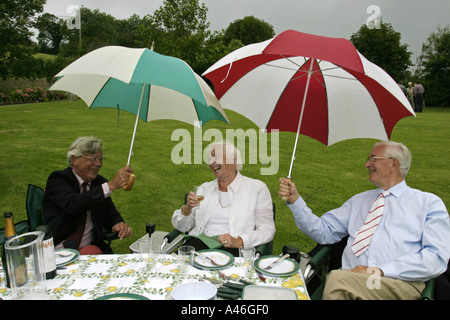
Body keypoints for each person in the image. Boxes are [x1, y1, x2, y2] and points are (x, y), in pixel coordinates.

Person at [279, 141, 450, 300]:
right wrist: (296, 201)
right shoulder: (359, 201)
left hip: (396, 283)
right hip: (351, 279)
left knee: (337, 281)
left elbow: (436, 258)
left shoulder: (427, 203)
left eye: (373, 159)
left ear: (394, 164)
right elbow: (324, 232)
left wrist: (379, 271)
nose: (367, 164)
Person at [171, 141, 275, 256]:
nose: (211, 162)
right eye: (209, 159)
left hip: (233, 250)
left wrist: (240, 241)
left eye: (215, 156)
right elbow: (182, 226)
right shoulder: (204, 188)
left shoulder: (256, 188)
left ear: (233, 159)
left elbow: (267, 229)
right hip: (199, 246)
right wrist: (187, 209)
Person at [43, 136, 133, 254]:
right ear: (75, 160)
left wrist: (118, 224)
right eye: (93, 159)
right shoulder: (58, 179)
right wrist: (110, 186)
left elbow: (110, 213)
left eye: (100, 159)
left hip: (89, 249)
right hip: (58, 252)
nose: (98, 164)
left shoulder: (98, 183)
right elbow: (73, 204)